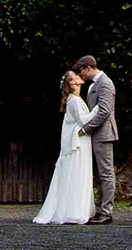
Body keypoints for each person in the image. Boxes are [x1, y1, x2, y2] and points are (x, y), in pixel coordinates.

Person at [32, 70, 93, 225]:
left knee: (79, 172)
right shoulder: (74, 101)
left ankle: (77, 210)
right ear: (72, 83)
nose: (79, 76)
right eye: (76, 76)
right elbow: (84, 120)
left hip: (82, 140)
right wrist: (99, 109)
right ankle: (75, 212)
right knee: (78, 172)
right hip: (78, 142)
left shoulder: (75, 99)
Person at [74, 55, 119, 224]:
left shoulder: (105, 83)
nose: (80, 75)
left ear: (88, 67)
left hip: (104, 134)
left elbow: (104, 111)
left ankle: (106, 213)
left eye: (81, 71)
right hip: (97, 134)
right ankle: (101, 211)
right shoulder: (96, 83)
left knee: (106, 174)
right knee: (101, 174)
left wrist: (86, 129)